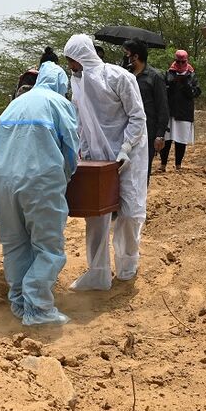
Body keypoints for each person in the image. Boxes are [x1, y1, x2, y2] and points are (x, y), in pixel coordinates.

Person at [0, 61, 79, 325]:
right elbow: (71, 148)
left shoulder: (15, 103)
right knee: (48, 247)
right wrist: (67, 174)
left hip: (3, 183)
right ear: (61, 84)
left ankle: (18, 302)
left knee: (15, 244)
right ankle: (39, 308)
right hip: (40, 182)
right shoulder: (58, 103)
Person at [62, 33, 147, 290]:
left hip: (128, 155)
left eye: (72, 60)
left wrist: (125, 147)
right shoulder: (76, 83)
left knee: (130, 212)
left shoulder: (119, 77)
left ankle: (127, 263)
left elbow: (137, 117)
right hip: (96, 157)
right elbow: (81, 122)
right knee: (95, 215)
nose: (70, 66)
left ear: (83, 56)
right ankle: (97, 272)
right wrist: (82, 151)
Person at [122, 39, 168, 181]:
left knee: (142, 171)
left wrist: (160, 135)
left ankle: (141, 202)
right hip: (126, 130)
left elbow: (163, 107)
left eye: (126, 54)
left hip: (147, 131)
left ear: (135, 56)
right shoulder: (125, 76)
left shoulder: (155, 77)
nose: (125, 57)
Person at [161, 49, 200, 171]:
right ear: (175, 60)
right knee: (166, 140)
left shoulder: (192, 75)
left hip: (184, 112)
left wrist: (186, 85)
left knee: (181, 140)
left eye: (183, 62)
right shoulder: (169, 73)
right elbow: (163, 91)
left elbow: (196, 92)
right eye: (179, 61)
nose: (181, 64)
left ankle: (178, 165)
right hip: (170, 110)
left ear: (186, 61)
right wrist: (172, 84)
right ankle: (163, 165)